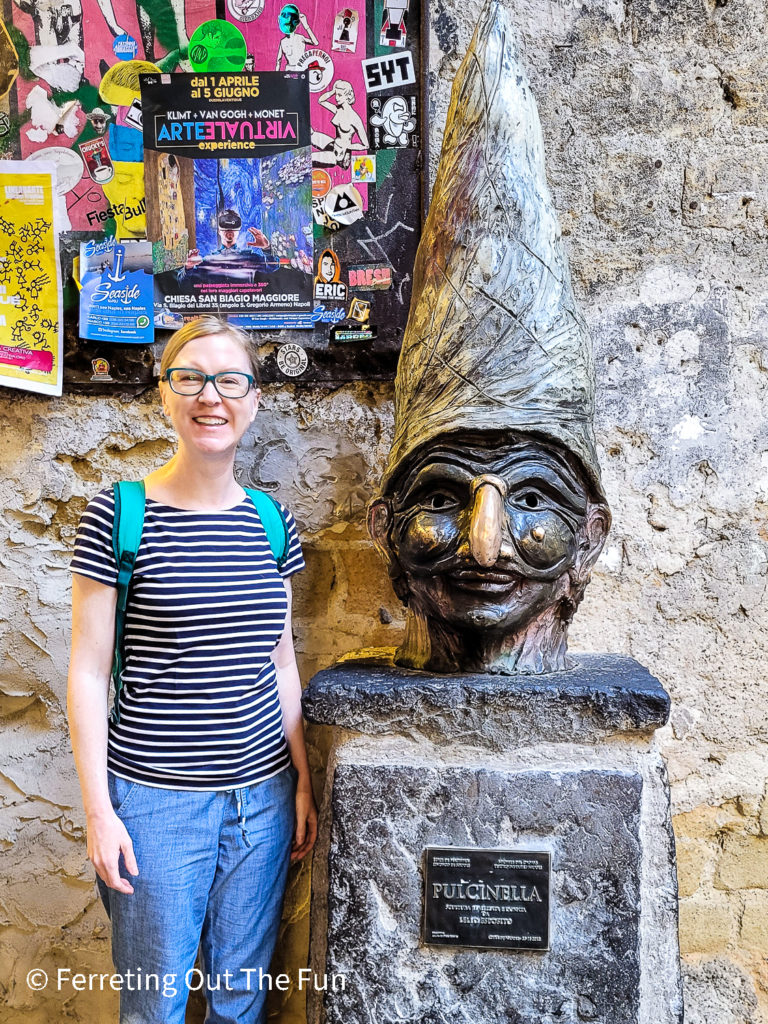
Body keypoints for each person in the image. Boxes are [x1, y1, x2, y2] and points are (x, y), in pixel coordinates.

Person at [67, 316, 317, 1023]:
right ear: (166, 397)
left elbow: (280, 661)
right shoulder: (120, 516)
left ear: (255, 398)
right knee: (155, 1008)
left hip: (261, 805)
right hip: (155, 806)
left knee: (241, 1004)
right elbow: (87, 675)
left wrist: (299, 780)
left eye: (229, 379)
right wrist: (100, 814)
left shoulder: (272, 522)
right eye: (190, 378)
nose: (211, 396)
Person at [312, 80, 368, 169]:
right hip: (334, 145)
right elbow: (321, 101)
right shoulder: (338, 110)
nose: (336, 98)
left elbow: (366, 145)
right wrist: (333, 91)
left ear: (347, 96)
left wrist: (348, 146)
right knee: (311, 133)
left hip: (342, 156)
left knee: (309, 158)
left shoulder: (355, 119)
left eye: (340, 95)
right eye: (336, 95)